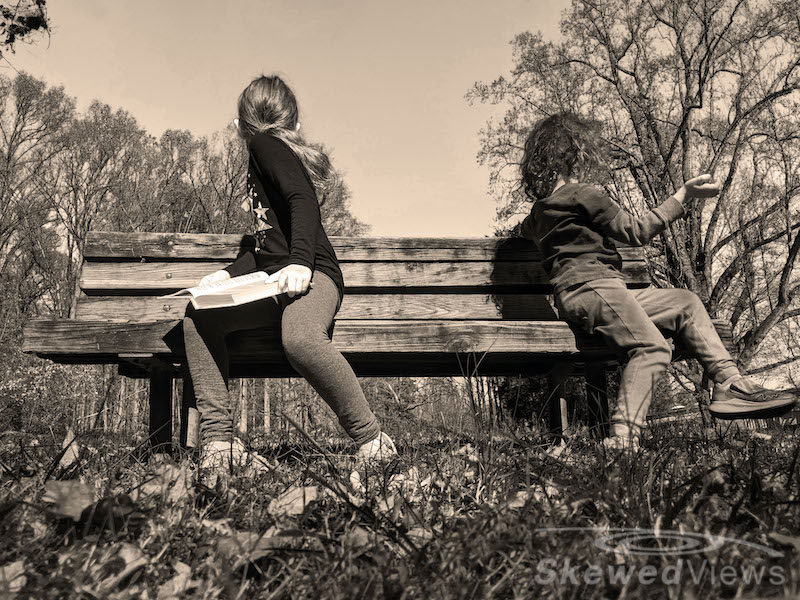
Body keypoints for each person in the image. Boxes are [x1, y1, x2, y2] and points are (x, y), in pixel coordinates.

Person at [516, 113, 797, 449]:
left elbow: (525, 234)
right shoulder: (585, 195)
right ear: (576, 154)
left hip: (588, 295)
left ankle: (729, 383)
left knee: (686, 303)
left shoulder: (538, 213)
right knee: (652, 347)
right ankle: (623, 436)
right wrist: (682, 196)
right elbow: (637, 231)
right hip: (595, 288)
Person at [182, 74, 396, 473]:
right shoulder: (263, 156)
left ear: (239, 125)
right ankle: (218, 443)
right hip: (278, 281)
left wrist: (301, 262)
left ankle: (372, 441)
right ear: (294, 123)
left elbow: (303, 201)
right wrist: (228, 275)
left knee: (299, 336)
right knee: (200, 314)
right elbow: (266, 246)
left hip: (314, 276)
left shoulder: (265, 144)